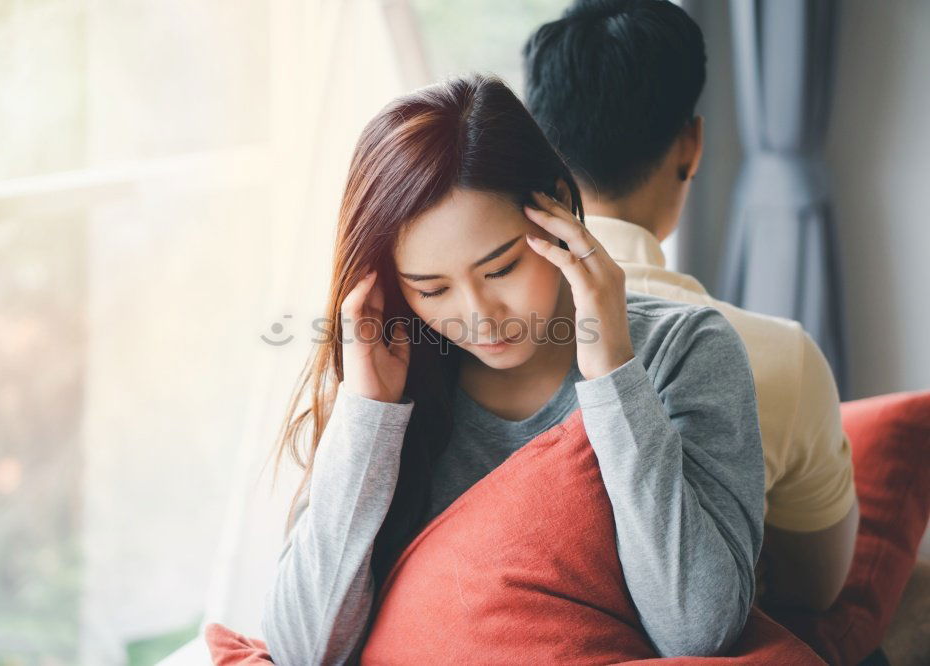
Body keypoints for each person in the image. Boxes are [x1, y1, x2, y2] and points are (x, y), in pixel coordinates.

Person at [261, 73, 764, 664]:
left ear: (555, 207)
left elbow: (698, 630)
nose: (479, 318)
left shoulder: (686, 352)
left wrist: (612, 375)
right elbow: (300, 651)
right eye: (433, 289)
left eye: (500, 269)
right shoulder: (392, 381)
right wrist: (367, 417)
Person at [522, 0, 859, 613]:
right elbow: (812, 596)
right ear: (691, 145)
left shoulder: (475, 338)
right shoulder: (785, 360)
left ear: (538, 150)